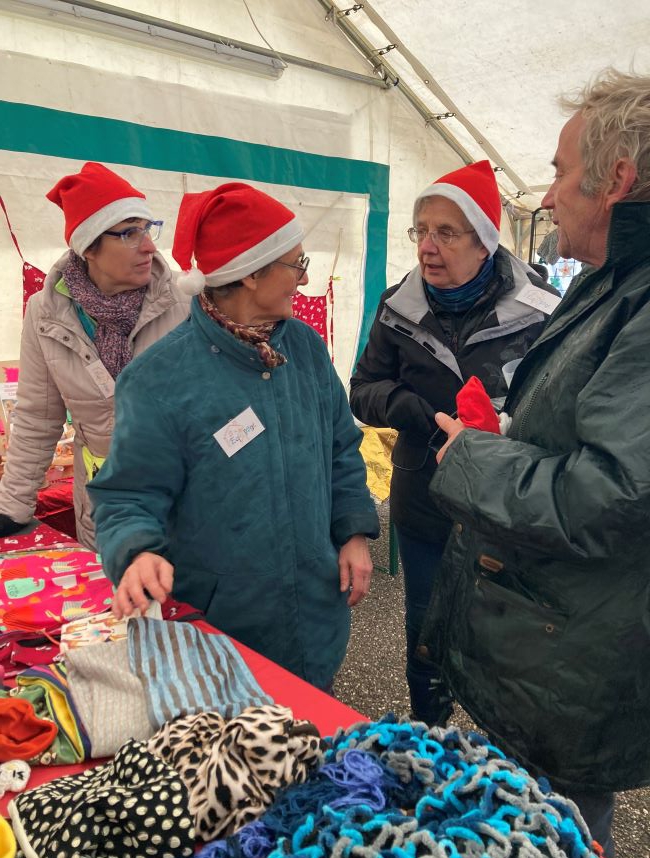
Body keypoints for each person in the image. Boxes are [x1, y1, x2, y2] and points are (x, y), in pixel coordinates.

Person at [421, 69, 650, 858]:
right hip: (550, 640)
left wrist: (473, 457)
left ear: (615, 178)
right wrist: (515, 428)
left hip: (576, 659)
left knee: (552, 838)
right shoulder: (616, 279)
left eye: (557, 171)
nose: (546, 196)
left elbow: (611, 495)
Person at [87, 182, 380, 691]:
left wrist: (353, 531)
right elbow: (129, 493)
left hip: (315, 613)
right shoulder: (160, 378)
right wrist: (137, 551)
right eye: (295, 264)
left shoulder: (305, 348)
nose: (303, 278)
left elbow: (341, 448)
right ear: (250, 274)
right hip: (225, 634)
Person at [349, 161, 558, 725]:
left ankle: (496, 760)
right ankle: (431, 744)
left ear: (485, 241)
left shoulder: (540, 312)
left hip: (505, 510)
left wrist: (506, 426)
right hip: (426, 501)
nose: (428, 246)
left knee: (503, 646)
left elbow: (560, 410)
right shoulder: (399, 307)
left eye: (447, 232)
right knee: (427, 636)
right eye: (421, 230)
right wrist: (409, 410)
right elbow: (362, 389)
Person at [0, 162, 189, 549]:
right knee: (117, 608)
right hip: (105, 508)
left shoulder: (184, 303)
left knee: (186, 608)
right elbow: (38, 418)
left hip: (188, 507)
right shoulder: (47, 312)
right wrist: (12, 507)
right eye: (129, 233)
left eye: (149, 228)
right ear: (88, 248)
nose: (150, 245)